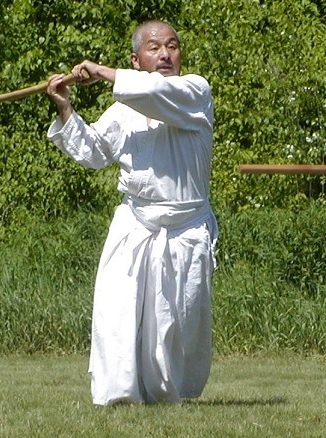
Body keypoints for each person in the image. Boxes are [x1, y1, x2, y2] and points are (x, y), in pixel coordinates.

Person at [44, 20, 217, 406]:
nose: (165, 54)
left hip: (185, 229)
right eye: (154, 48)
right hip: (135, 223)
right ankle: (118, 394)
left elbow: (155, 92)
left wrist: (102, 72)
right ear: (136, 59)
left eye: (172, 46)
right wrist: (65, 107)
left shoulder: (195, 92)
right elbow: (93, 153)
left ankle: (169, 393)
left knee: (175, 322)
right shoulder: (123, 111)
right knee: (117, 312)